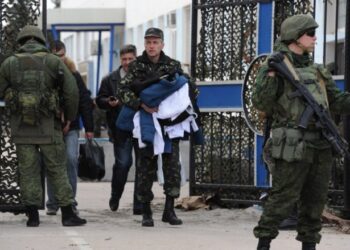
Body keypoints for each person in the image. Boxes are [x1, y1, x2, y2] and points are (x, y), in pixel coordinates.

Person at [252, 14, 350, 250]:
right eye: (310, 33)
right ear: (294, 37)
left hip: (321, 145)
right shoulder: (275, 66)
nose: (315, 38)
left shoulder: (317, 71)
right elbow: (261, 103)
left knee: (315, 203)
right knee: (282, 200)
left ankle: (309, 246)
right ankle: (263, 244)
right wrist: (272, 76)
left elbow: (336, 102)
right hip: (293, 147)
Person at [0, 25, 86, 227]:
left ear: (21, 41)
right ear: (41, 41)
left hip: (21, 127)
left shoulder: (9, 63)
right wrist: (69, 118)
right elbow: (72, 92)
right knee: (57, 168)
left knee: (28, 170)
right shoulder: (54, 61)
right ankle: (67, 214)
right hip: (49, 126)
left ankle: (33, 217)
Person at [118, 27, 200, 227]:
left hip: (169, 123)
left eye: (155, 42)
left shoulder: (173, 65)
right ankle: (146, 211)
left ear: (162, 44)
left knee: (172, 166)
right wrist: (140, 103)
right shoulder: (136, 66)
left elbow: (189, 87)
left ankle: (169, 210)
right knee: (145, 167)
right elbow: (123, 90)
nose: (151, 46)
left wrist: (176, 107)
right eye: (148, 42)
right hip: (146, 121)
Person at [46, 40, 94, 215]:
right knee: (52, 164)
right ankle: (52, 203)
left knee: (70, 161)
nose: (59, 59)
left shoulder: (73, 74)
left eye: (61, 56)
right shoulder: (46, 75)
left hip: (71, 127)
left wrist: (89, 128)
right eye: (55, 56)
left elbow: (84, 101)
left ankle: (71, 202)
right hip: (51, 127)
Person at [96, 44, 143, 215]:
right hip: (120, 129)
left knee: (142, 165)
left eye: (131, 59)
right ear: (120, 60)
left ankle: (139, 203)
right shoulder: (110, 79)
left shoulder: (143, 76)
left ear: (136, 59)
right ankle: (115, 195)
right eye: (124, 59)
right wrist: (109, 102)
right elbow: (99, 99)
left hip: (141, 127)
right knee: (123, 164)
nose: (127, 62)